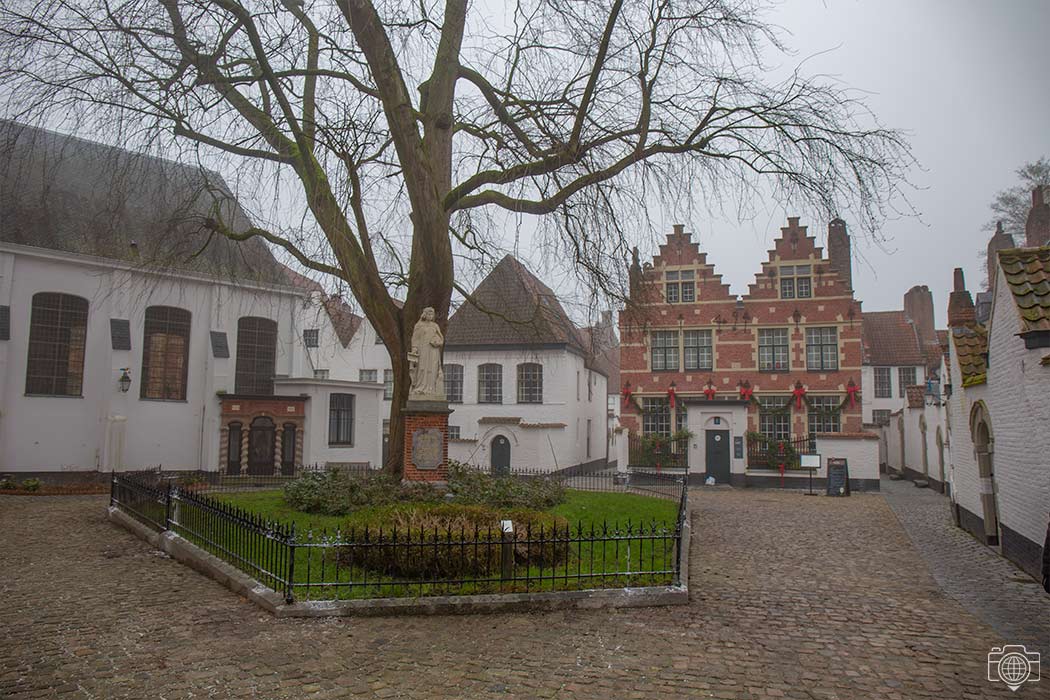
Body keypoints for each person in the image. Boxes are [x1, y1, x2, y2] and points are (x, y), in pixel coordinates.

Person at [408, 307, 445, 400]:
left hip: (433, 351)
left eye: (432, 314)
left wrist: (437, 342)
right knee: (422, 368)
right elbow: (415, 338)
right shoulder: (419, 325)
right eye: (429, 314)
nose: (430, 316)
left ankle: (430, 389)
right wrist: (414, 348)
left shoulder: (435, 326)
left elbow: (441, 338)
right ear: (424, 314)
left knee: (432, 369)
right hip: (422, 349)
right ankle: (420, 388)